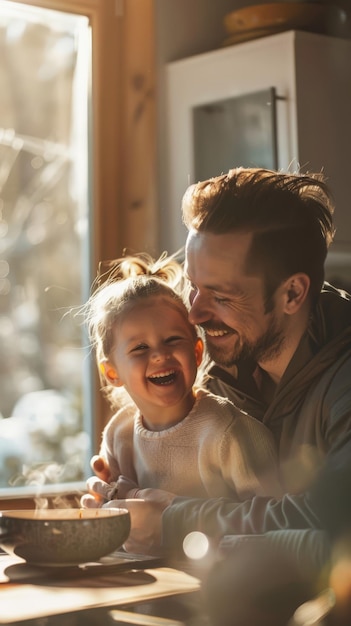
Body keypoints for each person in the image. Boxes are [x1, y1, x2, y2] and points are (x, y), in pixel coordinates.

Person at [83, 167, 351, 623]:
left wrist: (170, 522)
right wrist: (121, 498)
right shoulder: (213, 362)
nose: (194, 312)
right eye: (193, 285)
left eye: (220, 295)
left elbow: (329, 526)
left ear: (292, 292)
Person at [83, 252, 282, 507]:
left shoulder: (231, 432)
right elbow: (115, 512)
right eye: (140, 348)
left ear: (197, 352)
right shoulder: (118, 433)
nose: (159, 355)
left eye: (172, 340)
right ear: (112, 373)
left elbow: (273, 520)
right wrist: (102, 507)